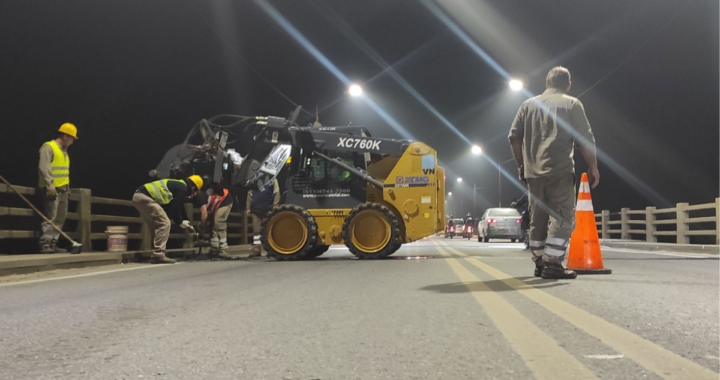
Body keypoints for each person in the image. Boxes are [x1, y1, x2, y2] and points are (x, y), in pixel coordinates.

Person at [508, 66, 599, 279]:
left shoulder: (527, 105)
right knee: (563, 217)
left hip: (533, 173)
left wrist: (522, 165)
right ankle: (553, 263)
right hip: (560, 171)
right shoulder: (572, 104)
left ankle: (539, 262)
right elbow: (584, 139)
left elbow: (513, 137)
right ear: (568, 85)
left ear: (547, 83)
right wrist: (593, 165)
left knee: (537, 219)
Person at [132, 175, 203, 264]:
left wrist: (187, 221)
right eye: (195, 191)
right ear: (193, 187)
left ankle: (154, 254)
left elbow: (179, 207)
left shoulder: (178, 185)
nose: (193, 195)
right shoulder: (183, 189)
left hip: (138, 197)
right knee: (165, 223)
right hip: (145, 197)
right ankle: (158, 255)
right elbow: (175, 207)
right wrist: (179, 222)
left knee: (156, 226)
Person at [38, 123, 78, 253]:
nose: (72, 142)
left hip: (63, 190)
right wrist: (50, 185)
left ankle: (53, 243)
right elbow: (44, 167)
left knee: (60, 217)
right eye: (72, 138)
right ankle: (45, 244)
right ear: (66, 136)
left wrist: (68, 188)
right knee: (50, 217)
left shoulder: (65, 152)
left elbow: (64, 172)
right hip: (51, 189)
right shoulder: (48, 147)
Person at [196, 185, 233, 258]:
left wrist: (202, 226)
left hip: (225, 201)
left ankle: (223, 248)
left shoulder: (200, 197)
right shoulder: (202, 196)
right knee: (212, 224)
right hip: (215, 206)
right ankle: (215, 247)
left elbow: (204, 214)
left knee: (219, 221)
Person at [246, 178, 280, 257]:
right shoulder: (253, 180)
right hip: (256, 209)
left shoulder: (273, 180)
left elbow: (277, 193)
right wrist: (248, 208)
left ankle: (270, 249)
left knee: (269, 230)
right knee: (256, 230)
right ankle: (256, 249)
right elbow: (249, 194)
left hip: (268, 208)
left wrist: (275, 206)